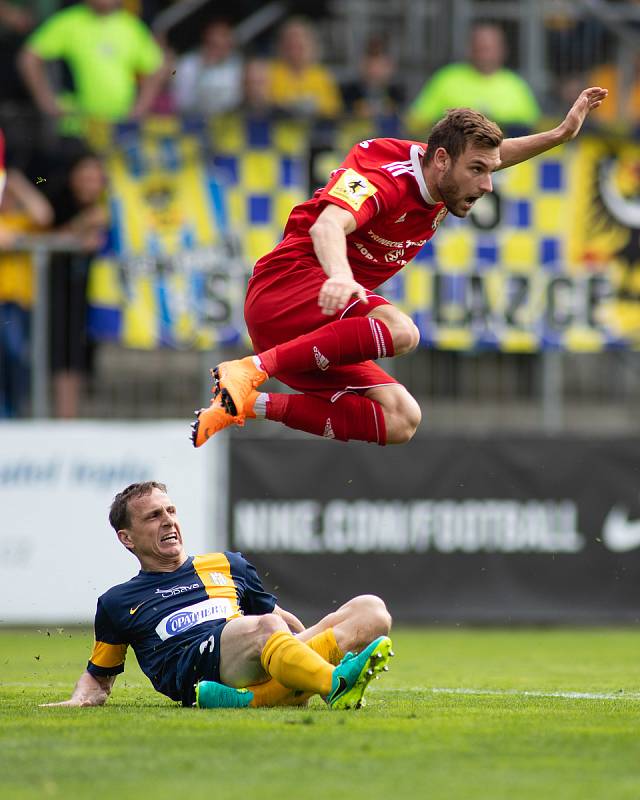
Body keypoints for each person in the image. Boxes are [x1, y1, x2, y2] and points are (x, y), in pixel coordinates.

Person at [190, 86, 607, 449]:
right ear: (441, 160)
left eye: (489, 171)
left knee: (401, 419)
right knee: (401, 331)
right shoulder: (383, 175)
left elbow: (495, 156)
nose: (486, 186)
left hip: (311, 328)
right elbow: (329, 224)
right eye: (477, 172)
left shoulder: (447, 174)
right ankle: (249, 370)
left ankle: (246, 403)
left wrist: (560, 134)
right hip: (288, 290)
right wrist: (339, 274)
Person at [43, 481, 394, 710]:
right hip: (199, 669)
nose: (168, 521)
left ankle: (254, 698)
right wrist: (76, 701)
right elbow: (99, 679)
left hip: (259, 652)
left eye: (171, 511)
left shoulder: (228, 564)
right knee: (264, 628)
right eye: (153, 516)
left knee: (372, 611)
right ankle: (334, 683)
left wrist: (303, 663)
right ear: (127, 538)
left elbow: (284, 621)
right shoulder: (117, 602)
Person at [17, 0, 167, 122]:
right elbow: (29, 57)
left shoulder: (131, 26)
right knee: (87, 160)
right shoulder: (69, 22)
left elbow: (157, 67)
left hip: (119, 125)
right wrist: (46, 101)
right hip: (79, 125)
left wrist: (140, 108)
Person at [48, 151, 108, 418]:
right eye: (84, 177)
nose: (89, 184)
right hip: (62, 289)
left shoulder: (113, 207)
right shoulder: (58, 200)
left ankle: (75, 416)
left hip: (96, 292)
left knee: (86, 352)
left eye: (95, 178)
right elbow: (49, 234)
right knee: (64, 351)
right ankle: (65, 417)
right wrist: (81, 228)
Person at [406, 23, 540, 132]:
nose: (485, 55)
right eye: (480, 48)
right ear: (469, 49)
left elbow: (532, 127)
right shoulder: (447, 79)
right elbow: (416, 121)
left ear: (503, 50)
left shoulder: (515, 85)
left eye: (489, 48)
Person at [0, 165, 54, 417]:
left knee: (17, 356)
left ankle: (12, 410)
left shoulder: (21, 221)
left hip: (18, 304)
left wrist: (17, 181)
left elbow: (43, 214)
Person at [267, 17, 343, 119]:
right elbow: (263, 106)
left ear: (311, 45)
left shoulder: (322, 75)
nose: (294, 51)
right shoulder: (268, 72)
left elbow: (334, 110)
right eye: (290, 45)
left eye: (299, 46)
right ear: (281, 45)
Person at [171, 17, 243, 117]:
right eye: (213, 44)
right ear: (205, 38)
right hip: (194, 120)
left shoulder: (239, 66)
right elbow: (181, 102)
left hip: (229, 122)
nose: (218, 41)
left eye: (223, 37)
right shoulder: (188, 65)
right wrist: (204, 69)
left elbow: (240, 101)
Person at [341, 38, 405, 118]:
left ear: (390, 66)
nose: (374, 69)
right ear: (362, 64)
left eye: (379, 64)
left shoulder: (397, 93)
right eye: (370, 63)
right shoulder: (350, 93)